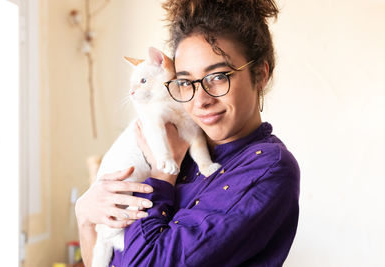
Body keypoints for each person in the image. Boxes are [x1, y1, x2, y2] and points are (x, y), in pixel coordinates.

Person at [75, 0, 300, 266]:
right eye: (185, 82)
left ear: (260, 73)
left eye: (218, 76)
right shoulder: (182, 146)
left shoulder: (266, 168)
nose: (199, 100)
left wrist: (163, 172)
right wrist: (85, 218)